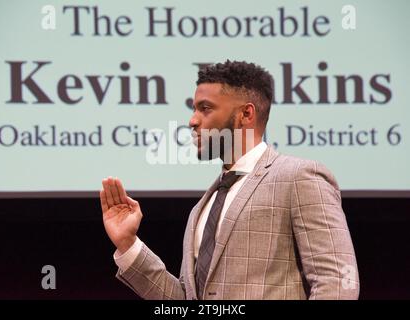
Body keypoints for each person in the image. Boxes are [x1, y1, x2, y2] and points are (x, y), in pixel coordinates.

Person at [100, 60, 359, 300]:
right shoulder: (203, 207)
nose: (192, 121)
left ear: (246, 114)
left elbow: (336, 282)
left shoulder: (298, 177)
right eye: (194, 109)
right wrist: (128, 244)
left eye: (205, 108)